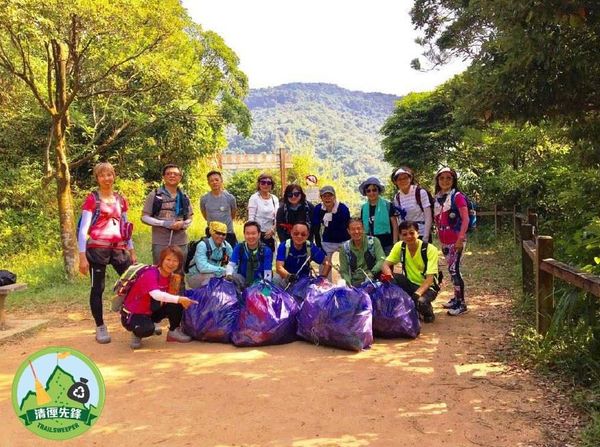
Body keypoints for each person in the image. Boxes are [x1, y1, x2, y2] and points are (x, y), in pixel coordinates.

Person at [78, 162, 136, 344]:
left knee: (133, 283)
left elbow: (125, 226)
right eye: (102, 175)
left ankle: (138, 319)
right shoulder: (92, 199)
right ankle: (100, 326)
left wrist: (131, 251)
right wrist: (81, 257)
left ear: (114, 175)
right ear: (97, 178)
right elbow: (83, 230)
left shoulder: (120, 199)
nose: (106, 178)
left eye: (109, 174)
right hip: (97, 248)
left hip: (119, 247)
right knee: (98, 288)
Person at [120, 246, 197, 349]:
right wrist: (179, 299)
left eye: (175, 261)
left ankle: (173, 331)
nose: (171, 263)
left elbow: (170, 298)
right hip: (134, 314)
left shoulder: (172, 277)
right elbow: (156, 294)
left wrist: (178, 299)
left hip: (150, 311)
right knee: (147, 329)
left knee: (177, 303)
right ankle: (137, 333)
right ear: (162, 260)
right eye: (168, 259)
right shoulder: (150, 273)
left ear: (179, 264)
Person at [381, 221, 440, 323]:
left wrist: (416, 295)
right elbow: (385, 265)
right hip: (409, 283)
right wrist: (389, 278)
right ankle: (409, 307)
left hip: (428, 287)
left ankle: (427, 311)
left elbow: (430, 279)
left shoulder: (430, 249)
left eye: (412, 233)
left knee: (421, 303)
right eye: (404, 234)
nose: (409, 236)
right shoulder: (400, 246)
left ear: (417, 233)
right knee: (391, 279)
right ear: (400, 236)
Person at [434, 167, 469, 316]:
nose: (445, 181)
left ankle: (461, 304)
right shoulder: (438, 197)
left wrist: (460, 238)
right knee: (451, 270)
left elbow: (465, 218)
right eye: (442, 178)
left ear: (454, 180)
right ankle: (456, 298)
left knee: (455, 270)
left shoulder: (457, 196)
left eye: (449, 178)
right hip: (445, 240)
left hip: (456, 240)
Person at [141, 164, 193, 267]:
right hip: (160, 241)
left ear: (180, 177)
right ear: (164, 177)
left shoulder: (184, 196)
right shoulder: (155, 195)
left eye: (175, 174)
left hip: (181, 241)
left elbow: (190, 218)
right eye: (168, 174)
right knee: (160, 270)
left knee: (179, 271)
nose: (172, 176)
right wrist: (164, 223)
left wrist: (183, 224)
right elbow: (144, 217)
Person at [275, 222, 331, 287]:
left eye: (303, 234)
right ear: (291, 233)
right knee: (276, 279)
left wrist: (321, 279)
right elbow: (279, 268)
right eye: (296, 233)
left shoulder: (310, 247)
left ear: (307, 235)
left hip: (303, 281)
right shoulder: (284, 246)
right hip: (286, 277)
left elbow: (328, 264)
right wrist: (289, 276)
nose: (299, 236)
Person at [311, 185, 350, 277]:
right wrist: (319, 245)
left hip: (343, 239)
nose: (327, 198)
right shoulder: (318, 209)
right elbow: (316, 228)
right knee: (324, 264)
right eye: (325, 196)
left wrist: (349, 243)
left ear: (334, 197)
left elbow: (347, 226)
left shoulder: (343, 208)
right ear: (321, 198)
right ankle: (324, 285)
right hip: (327, 240)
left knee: (348, 264)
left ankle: (350, 285)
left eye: (330, 195)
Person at [226, 221, 273, 290]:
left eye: (253, 233)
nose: (250, 236)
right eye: (247, 233)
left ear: (259, 234)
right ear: (244, 234)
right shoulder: (239, 247)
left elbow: (268, 273)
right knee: (232, 279)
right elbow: (231, 264)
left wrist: (264, 290)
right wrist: (229, 274)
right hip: (242, 281)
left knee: (268, 290)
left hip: (259, 282)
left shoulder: (266, 250)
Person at [339, 218, 386, 287]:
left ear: (363, 229)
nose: (356, 231)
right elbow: (344, 271)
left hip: (374, 280)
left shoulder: (374, 241)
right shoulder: (345, 248)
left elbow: (381, 260)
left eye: (359, 228)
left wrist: (371, 274)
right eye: (353, 229)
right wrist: (349, 284)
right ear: (348, 231)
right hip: (355, 282)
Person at [391, 166, 433, 243]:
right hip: (407, 236)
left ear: (410, 179)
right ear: (395, 182)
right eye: (399, 179)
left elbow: (428, 216)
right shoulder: (397, 197)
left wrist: (426, 237)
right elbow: (400, 219)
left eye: (405, 178)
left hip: (422, 233)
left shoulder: (420, 192)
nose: (403, 181)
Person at [186, 221, 233, 288]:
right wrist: (223, 270)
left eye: (223, 234)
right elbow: (202, 268)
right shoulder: (202, 245)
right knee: (212, 278)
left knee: (231, 277)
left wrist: (229, 272)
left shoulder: (226, 245)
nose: (221, 236)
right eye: (218, 233)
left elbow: (234, 261)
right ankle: (205, 296)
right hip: (195, 276)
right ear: (211, 232)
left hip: (215, 274)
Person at [358, 176, 399, 254]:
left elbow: (395, 225)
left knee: (387, 266)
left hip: (387, 244)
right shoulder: (364, 208)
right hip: (370, 244)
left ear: (378, 191)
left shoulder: (387, 205)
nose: (371, 193)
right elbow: (362, 227)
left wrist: (395, 243)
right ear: (366, 193)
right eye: (368, 191)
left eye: (374, 190)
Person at [200, 170, 238, 247]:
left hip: (228, 233)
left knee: (229, 256)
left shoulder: (230, 198)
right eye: (211, 181)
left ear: (221, 181)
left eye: (217, 180)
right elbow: (205, 215)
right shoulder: (204, 199)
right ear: (208, 183)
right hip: (212, 234)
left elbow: (233, 214)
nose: (214, 182)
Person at [247, 173, 279, 251]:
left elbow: (278, 217)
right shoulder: (254, 198)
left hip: (271, 234)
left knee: (269, 258)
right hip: (257, 234)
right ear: (259, 184)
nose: (266, 185)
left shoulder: (274, 199)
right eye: (263, 182)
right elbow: (251, 218)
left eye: (269, 183)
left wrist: (272, 230)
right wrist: (255, 234)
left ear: (272, 185)